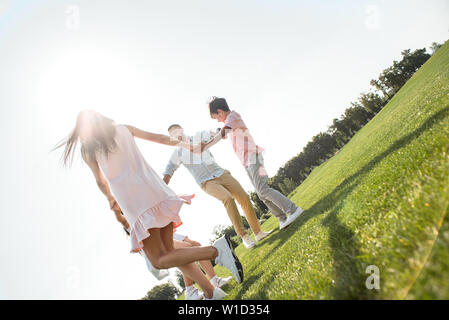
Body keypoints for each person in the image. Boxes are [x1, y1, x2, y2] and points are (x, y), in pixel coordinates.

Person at [55, 110, 243, 300]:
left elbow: (101, 181)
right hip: (158, 193)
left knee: (158, 260)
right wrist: (189, 145)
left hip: (137, 203)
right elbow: (161, 138)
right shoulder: (123, 129)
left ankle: (217, 251)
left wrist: (113, 204)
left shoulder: (88, 149)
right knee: (171, 252)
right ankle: (211, 293)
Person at [201, 97, 304, 230]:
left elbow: (222, 133)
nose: (217, 119)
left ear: (220, 112)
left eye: (215, 116)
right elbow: (221, 132)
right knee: (261, 193)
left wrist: (206, 146)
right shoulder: (229, 121)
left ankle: (293, 210)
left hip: (253, 157)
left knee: (263, 189)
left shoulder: (233, 116)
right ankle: (282, 218)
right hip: (247, 162)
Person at [163, 125, 272, 249]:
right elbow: (168, 171)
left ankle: (258, 233)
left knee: (244, 198)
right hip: (206, 182)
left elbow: (211, 132)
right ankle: (244, 236)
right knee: (228, 198)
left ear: (182, 130)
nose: (175, 134)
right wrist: (161, 187)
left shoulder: (198, 136)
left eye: (176, 130)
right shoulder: (177, 154)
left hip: (221, 173)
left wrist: (219, 131)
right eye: (172, 134)